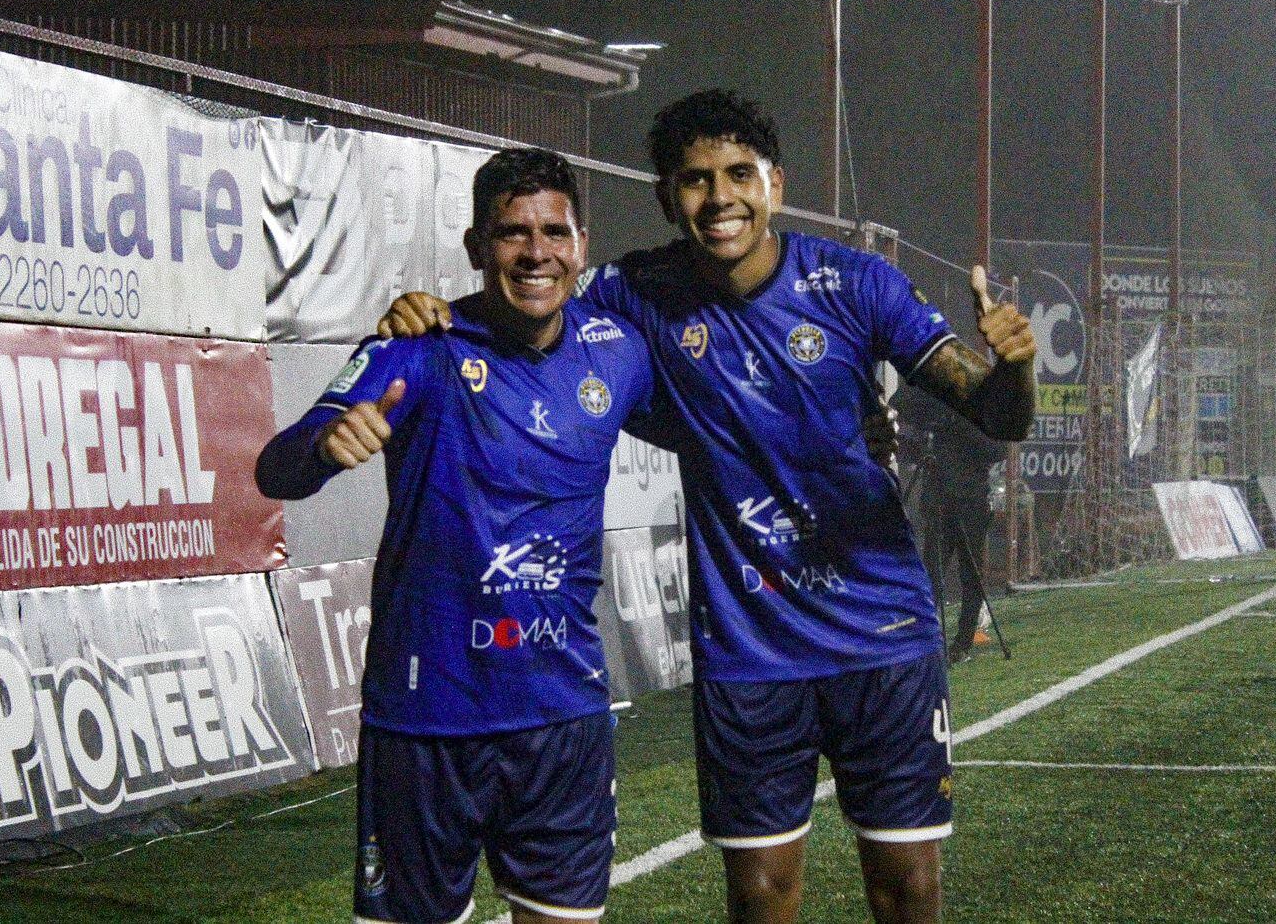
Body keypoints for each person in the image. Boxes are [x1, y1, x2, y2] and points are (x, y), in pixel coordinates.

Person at [380, 90, 1037, 924]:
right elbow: (532, 315)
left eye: (738, 174)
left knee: (905, 888)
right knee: (761, 897)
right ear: (667, 198)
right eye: (695, 180)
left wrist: (1014, 367)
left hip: (881, 635)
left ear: (775, 184)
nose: (719, 196)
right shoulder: (636, 293)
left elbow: (995, 413)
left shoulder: (856, 284)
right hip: (749, 652)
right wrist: (432, 316)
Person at [257, 148, 657, 924]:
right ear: (477, 249)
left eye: (553, 232)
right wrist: (325, 445)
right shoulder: (419, 347)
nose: (535, 252)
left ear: (581, 244)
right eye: (512, 234)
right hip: (427, 719)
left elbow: (713, 433)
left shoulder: (621, 352)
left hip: (563, 717)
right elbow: (277, 468)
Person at [896, 383, 1007, 665]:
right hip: (938, 498)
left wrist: (962, 427)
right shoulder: (935, 403)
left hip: (970, 500)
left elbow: (998, 448)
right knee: (931, 570)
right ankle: (926, 639)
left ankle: (963, 642)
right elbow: (905, 423)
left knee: (971, 574)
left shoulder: (980, 408)